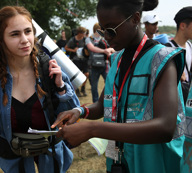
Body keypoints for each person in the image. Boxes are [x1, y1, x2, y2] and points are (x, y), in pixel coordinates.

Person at [51, 0, 187, 172]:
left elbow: (165, 127)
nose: (106, 37)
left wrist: (93, 129)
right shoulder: (116, 59)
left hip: (152, 164)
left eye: (111, 30)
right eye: (102, 30)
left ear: (135, 19)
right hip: (119, 161)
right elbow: (103, 105)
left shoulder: (161, 60)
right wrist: (80, 111)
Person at [0, 6, 80, 173]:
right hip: (13, 157)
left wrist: (61, 88)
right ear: (0, 39)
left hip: (51, 155)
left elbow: (71, 113)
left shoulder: (50, 68)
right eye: (15, 34)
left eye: (28, 31)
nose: (24, 39)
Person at [165, 6, 192, 105]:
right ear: (183, 26)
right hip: (174, 101)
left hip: (187, 100)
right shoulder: (167, 50)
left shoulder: (190, 46)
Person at [85, 23, 115, 102]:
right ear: (96, 29)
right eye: (100, 29)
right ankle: (95, 102)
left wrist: (110, 50)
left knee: (110, 83)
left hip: (105, 65)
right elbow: (92, 48)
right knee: (94, 86)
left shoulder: (104, 39)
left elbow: (112, 47)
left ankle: (110, 100)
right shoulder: (89, 39)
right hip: (93, 66)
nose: (102, 31)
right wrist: (105, 51)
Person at [65, 26, 89, 97]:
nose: (84, 34)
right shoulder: (73, 40)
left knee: (86, 74)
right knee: (76, 76)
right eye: (82, 33)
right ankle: (77, 90)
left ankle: (83, 88)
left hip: (84, 60)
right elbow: (66, 47)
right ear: (79, 33)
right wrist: (73, 50)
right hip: (76, 60)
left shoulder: (85, 39)